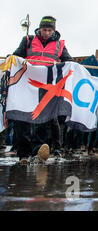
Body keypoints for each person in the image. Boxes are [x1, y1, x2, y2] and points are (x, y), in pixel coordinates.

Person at [11, 16, 73, 164]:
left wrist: (74, 67)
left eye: (49, 30)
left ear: (54, 30)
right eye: (44, 29)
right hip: (27, 84)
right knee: (23, 119)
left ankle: (38, 151)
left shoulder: (60, 45)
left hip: (46, 86)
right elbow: (17, 55)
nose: (46, 33)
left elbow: (68, 61)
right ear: (39, 29)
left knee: (43, 120)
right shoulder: (28, 40)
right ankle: (23, 154)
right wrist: (11, 58)